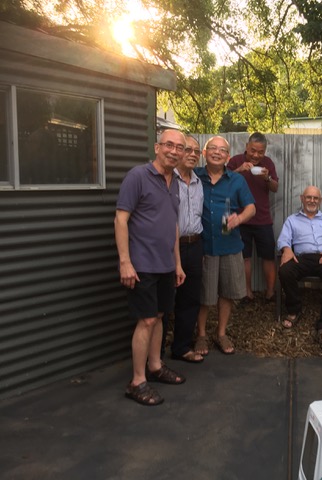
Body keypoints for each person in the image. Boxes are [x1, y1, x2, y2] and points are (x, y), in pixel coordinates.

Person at [115, 128, 187, 406]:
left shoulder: (175, 182)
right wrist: (125, 262)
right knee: (145, 320)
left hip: (165, 264)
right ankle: (137, 381)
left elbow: (173, 225)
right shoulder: (138, 176)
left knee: (158, 316)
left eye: (179, 147)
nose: (174, 151)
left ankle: (155, 367)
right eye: (169, 145)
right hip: (142, 264)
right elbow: (121, 220)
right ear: (157, 147)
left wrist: (177, 263)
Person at [194, 136, 256, 356]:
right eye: (212, 148)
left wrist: (239, 219)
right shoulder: (194, 176)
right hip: (203, 246)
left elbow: (251, 208)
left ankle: (221, 333)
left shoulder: (236, 180)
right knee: (204, 295)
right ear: (204, 153)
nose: (217, 152)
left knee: (227, 293)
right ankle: (201, 334)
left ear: (228, 157)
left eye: (222, 150)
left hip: (229, 245)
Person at [277, 186, 322, 351]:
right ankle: (294, 310)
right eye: (308, 197)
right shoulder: (292, 220)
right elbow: (283, 240)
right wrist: (286, 249)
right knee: (285, 271)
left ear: (320, 201)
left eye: (315, 198)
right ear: (302, 198)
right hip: (302, 258)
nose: (312, 201)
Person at [161, 135, 205, 363]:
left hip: (195, 245)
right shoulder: (168, 180)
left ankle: (181, 347)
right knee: (164, 300)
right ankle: (156, 354)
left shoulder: (198, 182)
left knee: (190, 298)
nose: (192, 154)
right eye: (188, 149)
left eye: (196, 151)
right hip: (170, 247)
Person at [227, 132, 279, 302]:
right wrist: (238, 170)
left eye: (260, 152)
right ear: (246, 147)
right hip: (241, 218)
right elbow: (222, 181)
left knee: (268, 256)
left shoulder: (268, 163)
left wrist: (267, 177)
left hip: (263, 218)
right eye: (253, 151)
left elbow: (275, 187)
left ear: (265, 151)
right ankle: (247, 293)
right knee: (244, 257)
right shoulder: (235, 161)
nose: (256, 155)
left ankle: (270, 293)